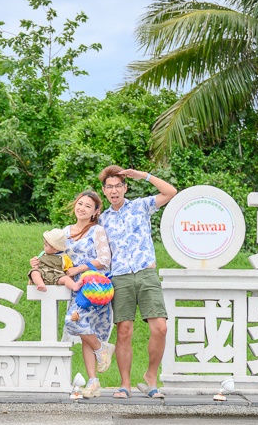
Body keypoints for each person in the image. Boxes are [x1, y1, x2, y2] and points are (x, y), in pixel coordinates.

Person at [98, 165, 177, 399]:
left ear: (125, 187)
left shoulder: (140, 206)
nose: (114, 191)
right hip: (120, 276)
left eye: (118, 186)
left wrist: (144, 175)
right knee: (123, 331)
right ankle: (125, 384)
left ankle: (150, 377)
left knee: (160, 328)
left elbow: (171, 192)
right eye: (109, 187)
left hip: (146, 272)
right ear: (104, 191)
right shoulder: (102, 220)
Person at [30, 191, 114, 397]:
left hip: (93, 286)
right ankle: (93, 381)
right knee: (85, 332)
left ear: (95, 212)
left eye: (88, 206)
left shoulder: (97, 231)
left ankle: (101, 347)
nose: (82, 208)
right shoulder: (65, 232)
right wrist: (37, 263)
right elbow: (54, 255)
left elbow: (104, 259)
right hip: (74, 287)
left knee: (73, 321)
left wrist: (78, 269)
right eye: (80, 203)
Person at [28, 228, 80, 293]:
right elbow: (36, 267)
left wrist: (70, 278)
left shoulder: (64, 257)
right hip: (43, 275)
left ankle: (74, 286)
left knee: (66, 279)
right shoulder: (42, 254)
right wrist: (32, 276)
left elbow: (69, 271)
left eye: (46, 245)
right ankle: (40, 284)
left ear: (55, 249)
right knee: (34, 273)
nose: (43, 246)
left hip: (57, 276)